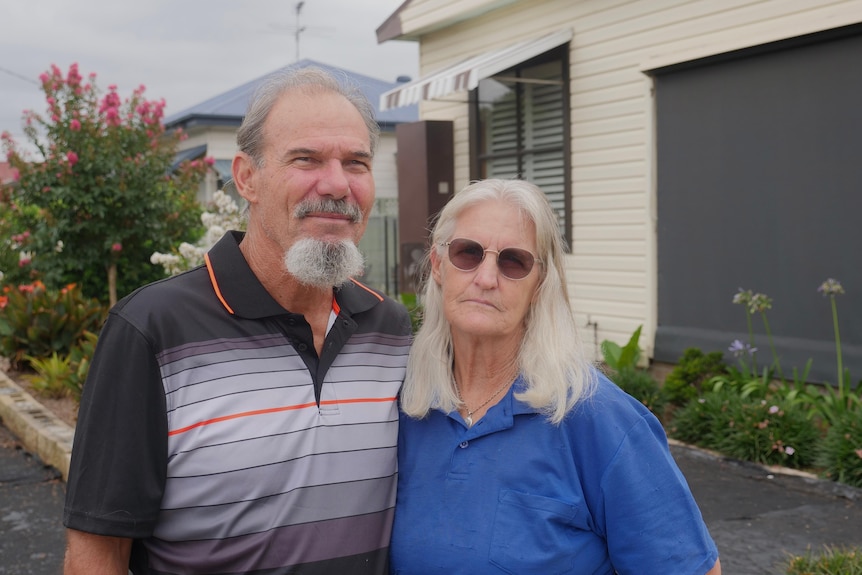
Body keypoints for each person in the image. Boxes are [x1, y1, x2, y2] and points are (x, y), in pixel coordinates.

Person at [62, 66, 412, 574]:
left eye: (356, 163)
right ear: (247, 178)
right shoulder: (153, 330)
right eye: (306, 159)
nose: (337, 184)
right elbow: (96, 555)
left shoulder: (390, 329)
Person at [389, 179, 721, 574]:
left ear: (540, 285)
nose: (486, 277)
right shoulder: (404, 403)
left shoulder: (598, 418)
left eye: (514, 261)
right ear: (438, 265)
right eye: (468, 253)